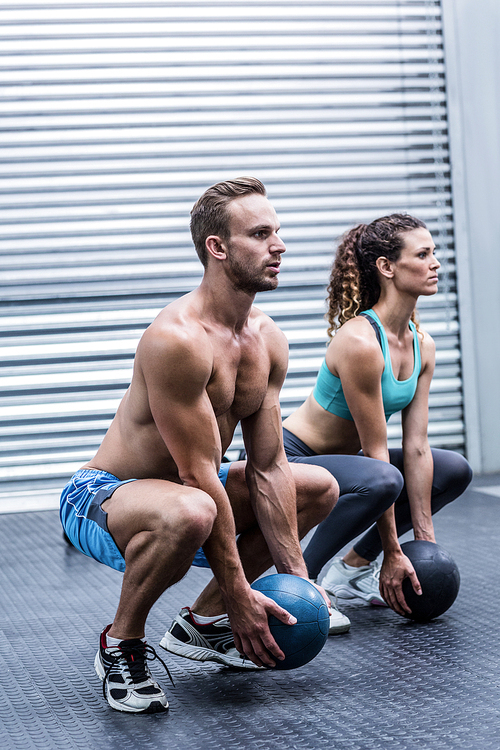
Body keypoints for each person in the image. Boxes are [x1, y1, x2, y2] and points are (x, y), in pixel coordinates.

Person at [59, 176, 339, 715]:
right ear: (218, 248)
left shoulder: (268, 339)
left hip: (192, 494)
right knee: (193, 508)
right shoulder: (177, 340)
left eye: (278, 231)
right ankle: (122, 645)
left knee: (316, 487)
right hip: (103, 496)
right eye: (260, 234)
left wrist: (296, 579)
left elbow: (269, 466)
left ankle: (203, 624)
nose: (279, 245)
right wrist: (240, 590)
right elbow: (197, 476)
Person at [282, 214, 472, 618]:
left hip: (359, 463)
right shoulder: (360, 342)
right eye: (422, 255)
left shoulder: (422, 345)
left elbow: (417, 446)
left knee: (453, 469)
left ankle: (350, 570)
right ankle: (305, 583)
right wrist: (392, 550)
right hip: (296, 457)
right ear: (387, 267)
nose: (435, 263)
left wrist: (424, 546)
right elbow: (376, 451)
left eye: (434, 253)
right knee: (382, 478)